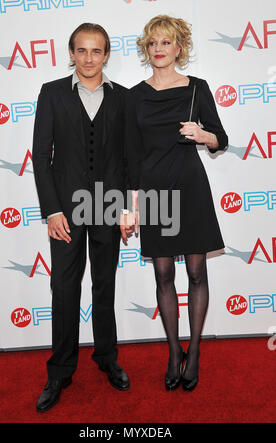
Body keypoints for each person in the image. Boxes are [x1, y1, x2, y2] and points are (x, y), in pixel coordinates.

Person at [121, 15, 228, 392]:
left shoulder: (197, 88)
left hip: (190, 187)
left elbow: (221, 139)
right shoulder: (134, 95)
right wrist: (129, 207)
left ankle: (194, 352)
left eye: (167, 42)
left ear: (179, 48)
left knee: (197, 273)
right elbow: (130, 156)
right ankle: (173, 352)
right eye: (153, 43)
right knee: (163, 275)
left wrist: (203, 134)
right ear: (146, 49)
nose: (159, 49)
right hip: (154, 192)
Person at [33, 23, 129, 413]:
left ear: (106, 55)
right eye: (82, 51)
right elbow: (42, 157)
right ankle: (59, 371)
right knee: (64, 290)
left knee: (105, 286)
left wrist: (126, 208)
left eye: (97, 51)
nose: (89, 58)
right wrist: (53, 210)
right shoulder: (52, 93)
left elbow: (127, 159)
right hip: (65, 213)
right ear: (71, 53)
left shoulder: (123, 98)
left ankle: (107, 357)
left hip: (108, 208)